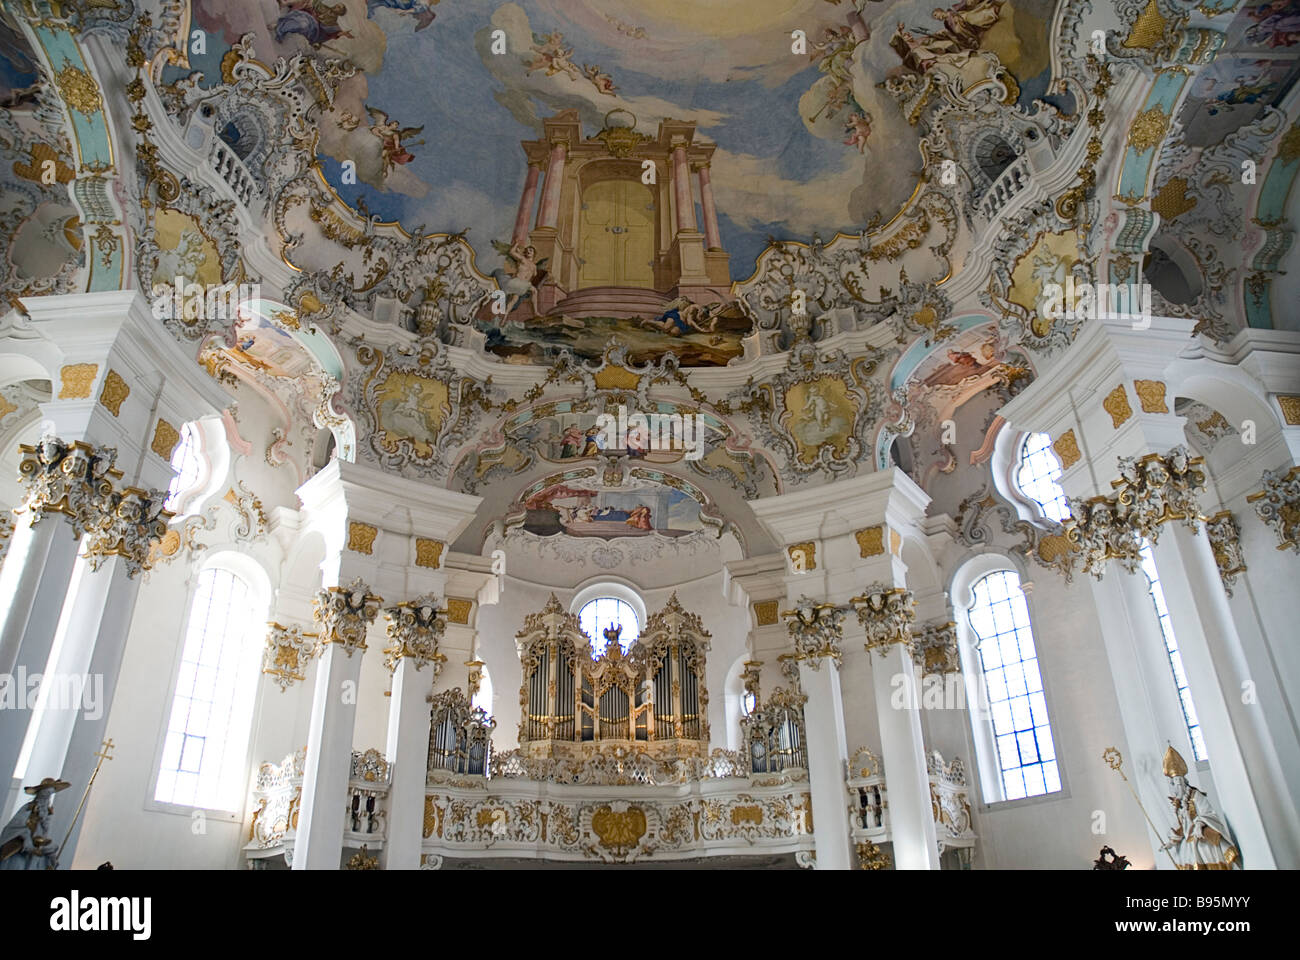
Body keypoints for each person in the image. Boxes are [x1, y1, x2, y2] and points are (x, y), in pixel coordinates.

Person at [1160, 746, 1241, 869]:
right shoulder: (1179, 805)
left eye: (1177, 783)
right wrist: (1171, 842)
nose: (1176, 788)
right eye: (1173, 784)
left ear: (1183, 782)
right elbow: (1182, 828)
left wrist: (1199, 824)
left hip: (1202, 841)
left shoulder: (1195, 795)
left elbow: (1209, 813)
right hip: (1189, 847)